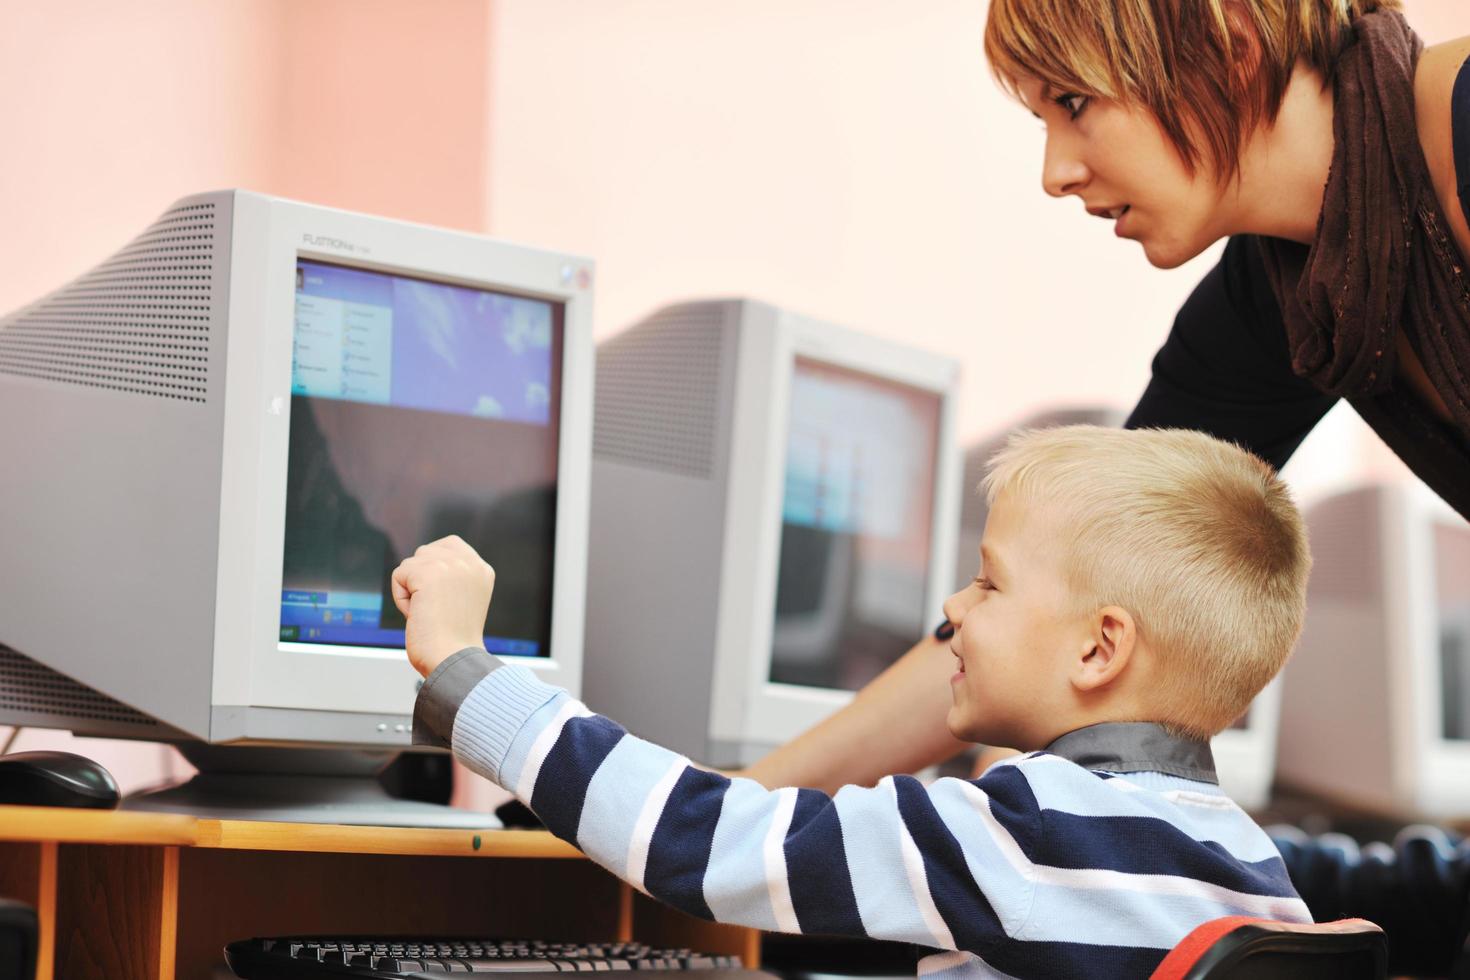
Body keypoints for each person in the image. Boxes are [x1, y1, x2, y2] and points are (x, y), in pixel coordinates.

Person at [738, 0, 1470, 796]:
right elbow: (1091, 564)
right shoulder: (1279, 300)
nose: (1055, 173)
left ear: (1232, 43)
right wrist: (736, 805)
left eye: (1074, 104)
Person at [396, 425, 1313, 978]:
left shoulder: (1025, 830)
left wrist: (471, 677)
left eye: (989, 586)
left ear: (1098, 647)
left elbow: (712, 845)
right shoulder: (1253, 864)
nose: (951, 613)